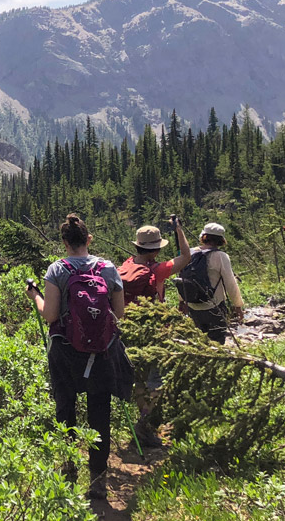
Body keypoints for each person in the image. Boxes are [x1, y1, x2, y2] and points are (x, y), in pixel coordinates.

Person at [26, 213, 128, 501]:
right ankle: (97, 479)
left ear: (64, 242)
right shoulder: (108, 268)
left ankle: (68, 470)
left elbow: (51, 315)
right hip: (101, 352)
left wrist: (34, 295)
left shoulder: (57, 270)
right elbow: (119, 314)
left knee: (65, 408)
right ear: (89, 239)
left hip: (65, 351)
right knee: (99, 412)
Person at [118, 216, 191, 447]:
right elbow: (186, 257)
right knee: (156, 379)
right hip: (152, 331)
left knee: (139, 379)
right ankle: (145, 425)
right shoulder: (158, 270)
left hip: (128, 330)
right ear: (156, 250)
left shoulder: (127, 265)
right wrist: (178, 229)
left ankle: (143, 422)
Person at [178, 222, 244, 345]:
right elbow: (230, 284)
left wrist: (182, 300)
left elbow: (183, 277)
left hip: (193, 305)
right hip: (215, 307)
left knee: (200, 342)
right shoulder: (221, 256)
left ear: (204, 236)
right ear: (221, 240)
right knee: (217, 343)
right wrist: (238, 306)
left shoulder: (190, 253)